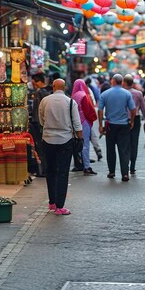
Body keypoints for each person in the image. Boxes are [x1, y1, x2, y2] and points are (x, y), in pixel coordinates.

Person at [38, 79, 83, 215]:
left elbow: (41, 120)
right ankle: (59, 207)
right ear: (65, 88)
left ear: (53, 87)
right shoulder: (70, 102)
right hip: (65, 140)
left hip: (48, 139)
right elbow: (77, 124)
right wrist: (80, 139)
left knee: (50, 171)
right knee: (63, 173)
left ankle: (52, 202)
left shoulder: (45, 101)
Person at [98, 74, 136, 181]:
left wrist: (100, 125)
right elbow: (133, 109)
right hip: (124, 125)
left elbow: (100, 110)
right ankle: (125, 173)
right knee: (124, 150)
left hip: (110, 125)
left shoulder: (105, 94)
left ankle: (111, 171)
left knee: (110, 149)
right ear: (121, 82)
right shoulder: (127, 94)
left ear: (113, 81)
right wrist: (132, 121)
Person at [123, 74, 145, 175]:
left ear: (124, 83)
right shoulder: (138, 94)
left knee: (125, 143)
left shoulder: (122, 93)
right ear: (132, 83)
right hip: (136, 119)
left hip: (124, 120)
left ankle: (126, 165)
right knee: (134, 142)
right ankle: (132, 166)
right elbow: (144, 107)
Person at [71, 79, 98, 175]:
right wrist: (92, 118)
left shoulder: (73, 96)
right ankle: (86, 167)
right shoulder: (83, 95)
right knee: (85, 145)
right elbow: (89, 110)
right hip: (84, 122)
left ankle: (80, 164)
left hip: (75, 122)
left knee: (79, 144)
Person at [29, 72, 51, 177]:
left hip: (39, 124)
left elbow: (38, 111)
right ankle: (45, 169)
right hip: (44, 123)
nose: (32, 84)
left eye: (33, 82)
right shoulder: (48, 92)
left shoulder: (39, 93)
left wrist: (38, 124)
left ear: (37, 82)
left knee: (40, 147)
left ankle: (43, 171)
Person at [85, 77, 104, 162]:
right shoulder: (89, 90)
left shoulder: (82, 91)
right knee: (92, 134)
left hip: (84, 118)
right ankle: (98, 150)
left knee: (85, 137)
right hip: (89, 116)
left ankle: (84, 158)